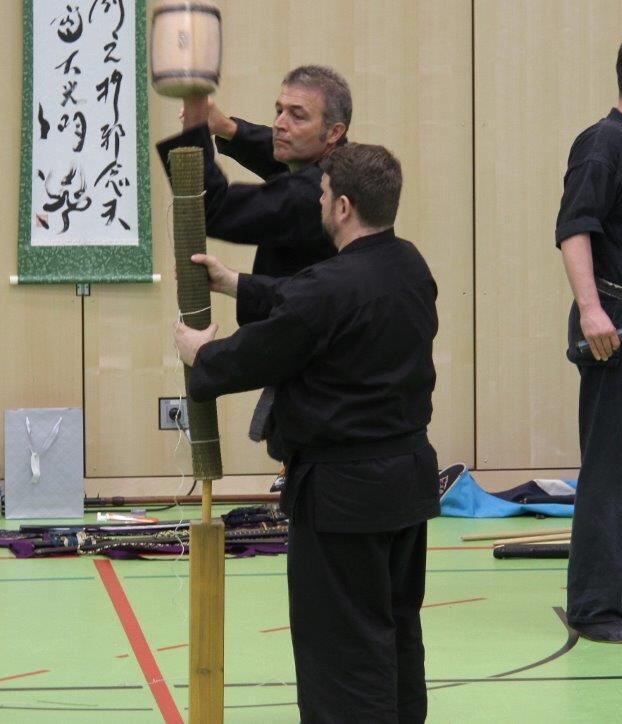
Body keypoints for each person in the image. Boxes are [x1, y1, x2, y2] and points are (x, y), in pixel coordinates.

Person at [174, 143, 440, 722]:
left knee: (344, 652)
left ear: (342, 207)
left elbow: (265, 347)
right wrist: (234, 283)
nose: (317, 202)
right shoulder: (409, 265)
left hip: (344, 496)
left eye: (321, 195)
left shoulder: (329, 288)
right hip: (406, 484)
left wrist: (203, 354)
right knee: (395, 632)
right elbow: (314, 300)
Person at [156, 64, 352, 324]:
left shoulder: (310, 195)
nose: (279, 124)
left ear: (334, 132)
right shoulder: (345, 163)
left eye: (297, 116)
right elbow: (283, 159)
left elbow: (214, 209)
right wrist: (228, 128)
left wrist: (195, 127)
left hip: (302, 345)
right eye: (279, 111)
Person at [556, 41, 622, 644]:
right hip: (613, 328)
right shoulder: (602, 144)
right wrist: (592, 309)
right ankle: (597, 607)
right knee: (609, 467)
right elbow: (574, 228)